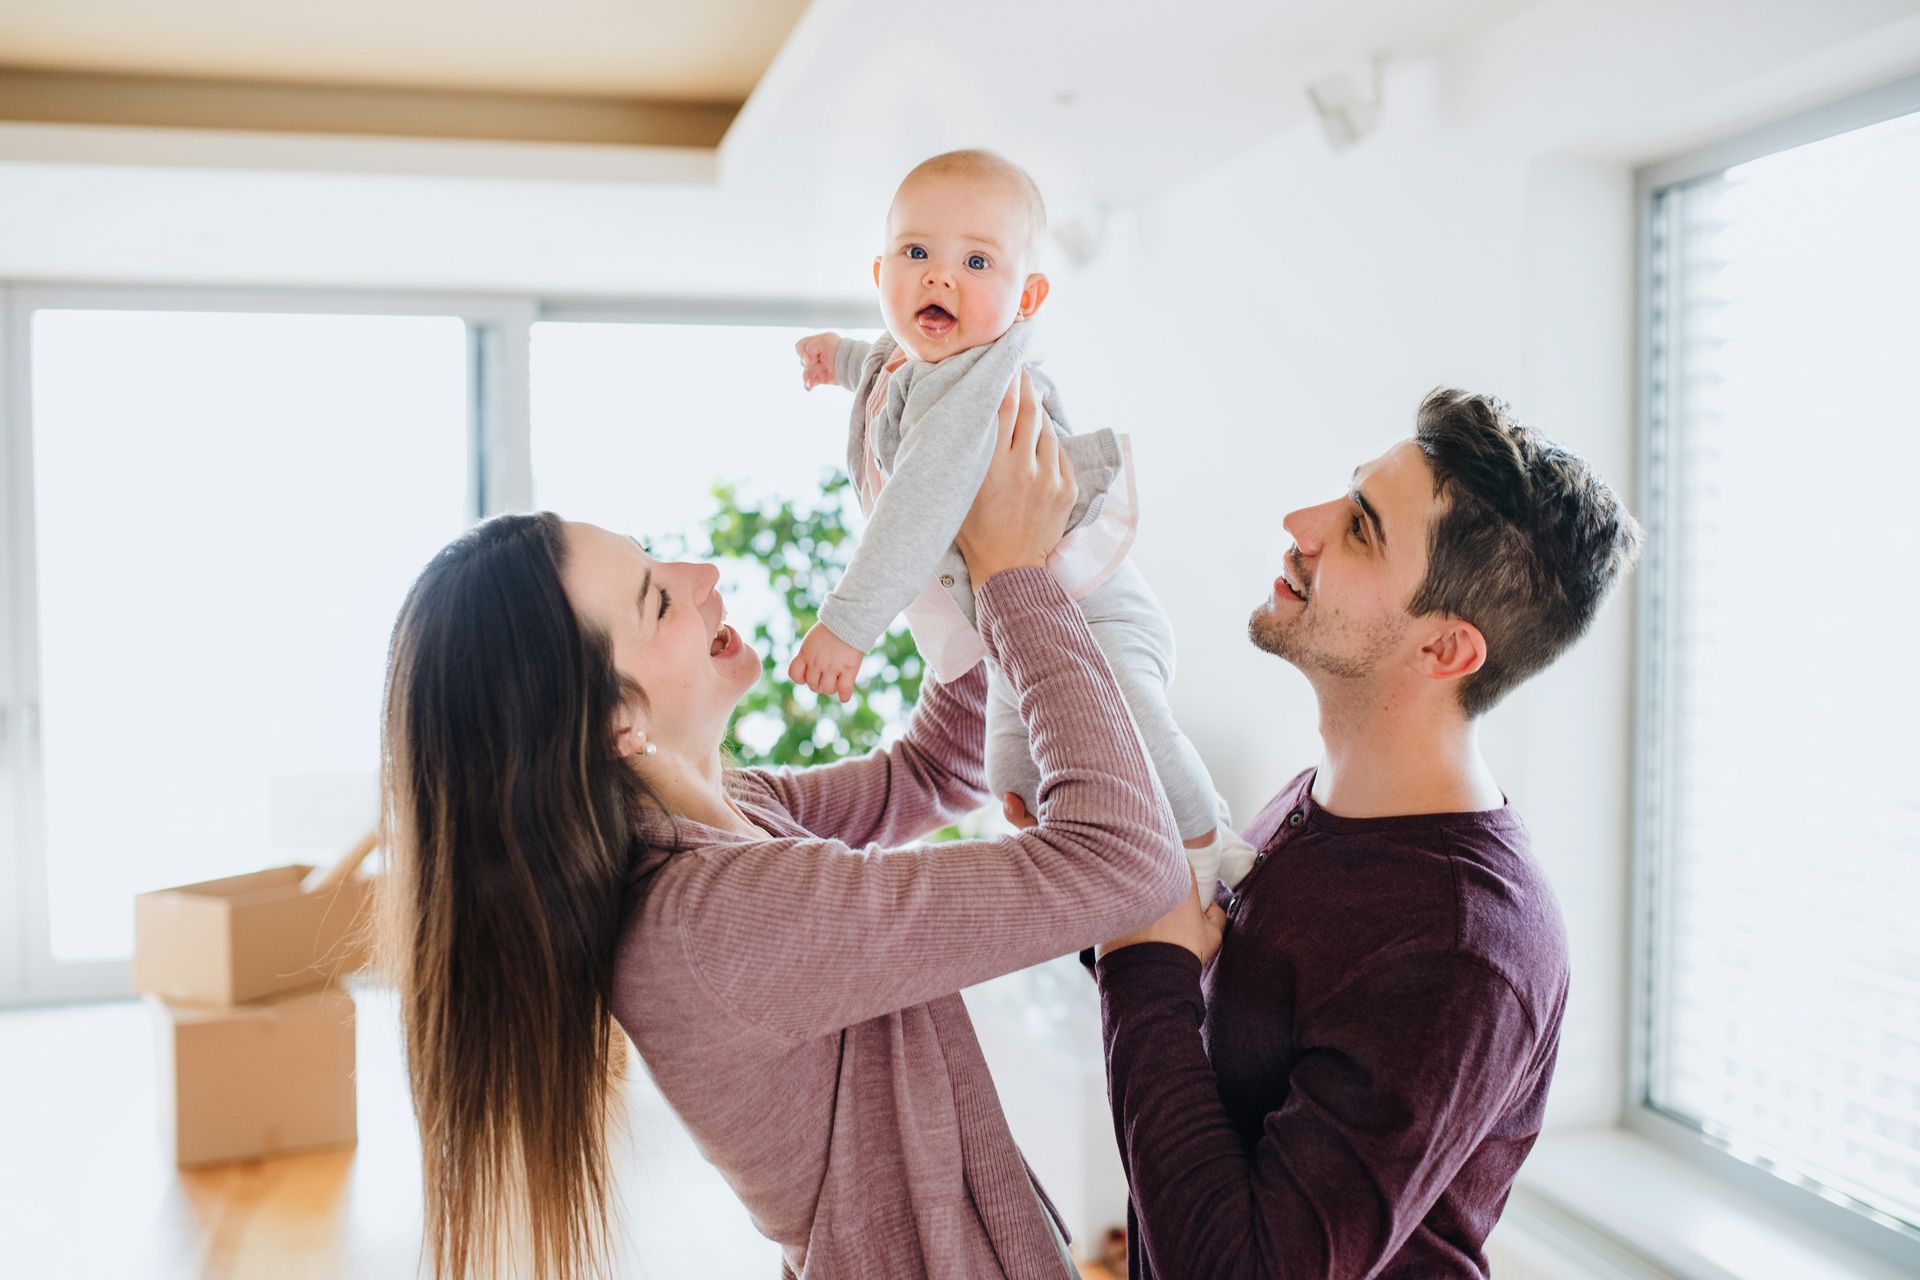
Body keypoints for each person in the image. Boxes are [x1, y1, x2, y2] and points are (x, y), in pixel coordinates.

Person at [378, 372, 1194, 1280]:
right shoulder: (715, 923)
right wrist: (1014, 577)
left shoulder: (729, 819)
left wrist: (944, 542)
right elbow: (1125, 861)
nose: (703, 576)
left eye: (658, 556)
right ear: (617, 726)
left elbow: (930, 773)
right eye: (657, 600)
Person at [1066, 390, 1644, 1277]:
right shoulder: (1327, 803)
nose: (1302, 523)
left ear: (1446, 650)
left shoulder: (1460, 949)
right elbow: (1220, 1027)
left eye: (1363, 529)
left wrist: (1141, 965)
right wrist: (1111, 869)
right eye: (1346, 493)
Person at [791, 148, 1256, 893]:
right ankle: (1097, 860)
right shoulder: (923, 359)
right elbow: (887, 362)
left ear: (1027, 297)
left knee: (1140, 728)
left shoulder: (979, 387)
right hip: (1018, 630)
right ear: (881, 276)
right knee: (1013, 776)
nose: (941, 275)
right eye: (916, 253)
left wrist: (847, 625)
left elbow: (916, 504)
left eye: (978, 262)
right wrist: (839, 359)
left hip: (1093, 620)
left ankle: (1213, 848)